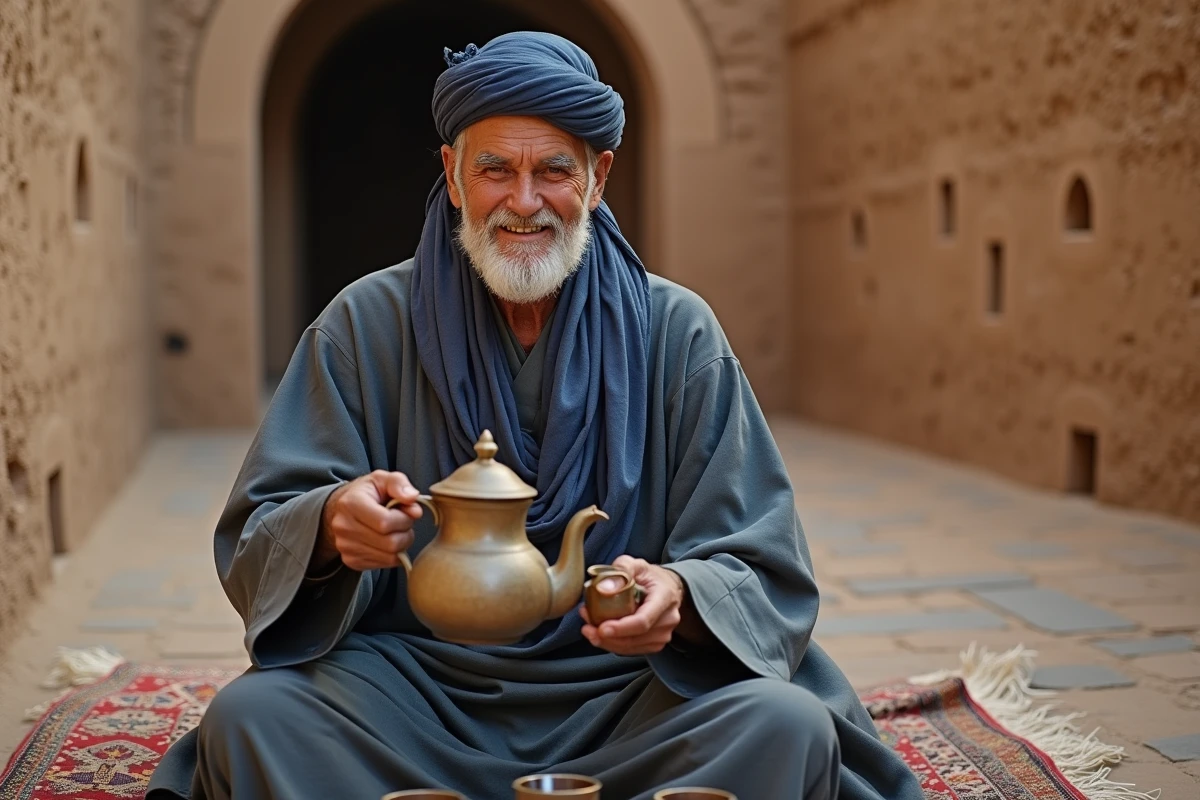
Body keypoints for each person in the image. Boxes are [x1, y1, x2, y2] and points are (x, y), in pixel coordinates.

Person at [148, 31, 924, 800]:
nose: (524, 202)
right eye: (495, 170)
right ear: (453, 176)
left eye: (554, 170)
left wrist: (680, 598)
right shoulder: (363, 325)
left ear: (598, 179)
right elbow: (260, 537)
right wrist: (327, 528)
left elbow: (760, 560)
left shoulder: (678, 332)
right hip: (416, 692)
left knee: (781, 726)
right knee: (256, 717)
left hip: (629, 692)